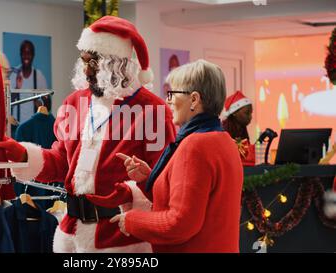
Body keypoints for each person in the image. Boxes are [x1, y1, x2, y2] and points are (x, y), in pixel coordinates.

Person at [0, 15, 176, 252]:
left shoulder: (151, 111)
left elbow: (164, 180)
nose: (85, 69)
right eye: (83, 60)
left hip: (120, 238)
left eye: (92, 62)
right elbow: (62, 162)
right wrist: (23, 156)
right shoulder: (75, 102)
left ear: (116, 64)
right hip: (70, 233)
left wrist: (131, 190)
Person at [88, 60, 244, 253]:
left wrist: (131, 220)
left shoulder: (194, 145)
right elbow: (195, 202)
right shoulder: (224, 140)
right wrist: (148, 180)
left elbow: (180, 224)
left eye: (172, 93)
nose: (168, 100)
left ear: (194, 100)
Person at [10, 40, 48, 129]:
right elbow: (7, 102)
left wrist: (41, 103)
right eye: (24, 53)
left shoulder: (39, 76)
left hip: (34, 127)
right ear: (20, 54)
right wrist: (17, 88)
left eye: (29, 53)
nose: (26, 56)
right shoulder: (14, 75)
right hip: (16, 127)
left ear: (33, 55)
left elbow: (48, 104)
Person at [222, 91, 256, 166]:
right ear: (234, 112)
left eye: (251, 113)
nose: (250, 117)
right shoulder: (224, 131)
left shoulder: (242, 128)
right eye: (247, 113)